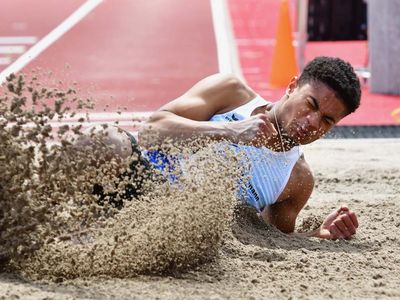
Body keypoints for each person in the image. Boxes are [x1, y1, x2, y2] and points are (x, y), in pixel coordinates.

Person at [82, 56, 361, 239]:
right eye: (310, 104)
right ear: (292, 86)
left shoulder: (298, 179)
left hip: (174, 229)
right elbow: (151, 131)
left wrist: (319, 234)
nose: (312, 122)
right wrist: (228, 131)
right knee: (104, 139)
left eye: (327, 120)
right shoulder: (231, 93)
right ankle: (39, 211)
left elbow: (268, 236)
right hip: (137, 181)